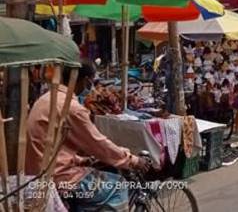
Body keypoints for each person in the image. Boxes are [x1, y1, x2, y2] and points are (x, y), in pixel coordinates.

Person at [26, 61, 149, 210]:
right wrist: (133, 160)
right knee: (119, 186)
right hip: (59, 178)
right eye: (91, 81)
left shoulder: (46, 98)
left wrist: (81, 160)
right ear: (85, 80)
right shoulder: (71, 107)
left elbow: (53, 146)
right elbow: (97, 144)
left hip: (38, 173)